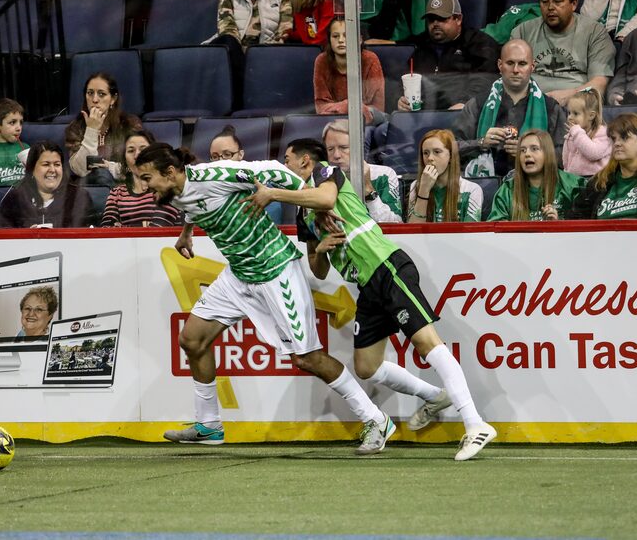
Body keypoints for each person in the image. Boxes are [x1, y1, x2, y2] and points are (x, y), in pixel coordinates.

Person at [245, 137, 497, 461]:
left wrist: (272, 193)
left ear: (306, 161)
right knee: (366, 367)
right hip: (366, 285)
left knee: (426, 343)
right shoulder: (302, 215)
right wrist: (320, 250)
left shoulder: (327, 174)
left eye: (288, 159)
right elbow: (318, 270)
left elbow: (325, 198)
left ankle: (475, 424)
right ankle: (435, 396)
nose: (284, 166)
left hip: (387, 266)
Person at [135, 143, 396, 455]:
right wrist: (186, 232)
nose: (142, 187)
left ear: (169, 172)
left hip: (276, 270)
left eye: (147, 179)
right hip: (239, 274)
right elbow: (193, 204)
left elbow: (272, 170)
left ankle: (377, 420)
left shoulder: (215, 174)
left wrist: (317, 207)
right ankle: (209, 425)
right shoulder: (174, 190)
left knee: (307, 358)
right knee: (192, 340)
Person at [452, 39, 567, 177]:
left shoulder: (551, 108)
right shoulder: (478, 104)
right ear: (500, 65)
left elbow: (566, 156)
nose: (516, 70)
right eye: (510, 63)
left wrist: (529, 152)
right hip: (485, 188)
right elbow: (451, 147)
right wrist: (481, 143)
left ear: (532, 66)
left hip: (535, 188)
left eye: (522, 64)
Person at [510, 0, 616, 106]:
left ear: (574, 4)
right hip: (529, 105)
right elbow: (510, 77)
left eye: (558, 1)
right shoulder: (523, 31)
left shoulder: (595, 33)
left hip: (577, 108)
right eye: (545, 2)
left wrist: (573, 95)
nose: (550, 7)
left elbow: (599, 84)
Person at [393, 0, 500, 111]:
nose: (435, 24)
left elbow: (485, 80)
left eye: (442, 19)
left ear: (458, 19)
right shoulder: (421, 47)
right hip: (423, 115)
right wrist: (400, 100)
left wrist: (466, 103)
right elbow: (405, 81)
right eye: (431, 19)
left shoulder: (479, 43)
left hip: (463, 114)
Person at [64, 72, 142, 187]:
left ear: (113, 99)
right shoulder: (76, 128)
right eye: (90, 93)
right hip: (87, 192)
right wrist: (91, 130)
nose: (94, 99)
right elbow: (80, 170)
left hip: (124, 189)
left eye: (101, 94)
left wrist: (110, 168)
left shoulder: (129, 125)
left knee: (103, 174)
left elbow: (142, 165)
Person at [489, 129, 585, 221]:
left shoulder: (573, 185)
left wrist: (558, 223)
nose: (527, 154)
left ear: (548, 153)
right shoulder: (507, 191)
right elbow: (495, 228)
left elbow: (587, 225)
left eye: (534, 149)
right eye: (522, 150)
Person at [0, 141, 96, 228]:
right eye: (46, 164)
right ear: (32, 169)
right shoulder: (14, 200)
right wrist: (26, 236)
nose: (52, 170)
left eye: (57, 164)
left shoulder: (79, 197)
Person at [322, 119, 402, 222]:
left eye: (343, 147)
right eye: (330, 149)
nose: (336, 155)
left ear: (358, 147)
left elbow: (395, 224)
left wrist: (369, 190)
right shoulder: (319, 179)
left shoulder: (383, 175)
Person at [100, 130, 183, 228]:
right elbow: (106, 231)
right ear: (124, 159)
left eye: (143, 150)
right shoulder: (116, 193)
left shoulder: (167, 188)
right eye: (131, 151)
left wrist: (122, 227)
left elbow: (157, 228)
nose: (137, 156)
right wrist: (143, 224)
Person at [314, 17, 386, 125]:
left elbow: (378, 109)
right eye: (335, 36)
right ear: (329, 39)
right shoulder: (321, 61)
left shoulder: (371, 60)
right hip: (332, 123)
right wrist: (349, 106)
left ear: (360, 39)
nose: (341, 40)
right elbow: (321, 107)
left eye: (346, 35)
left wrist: (343, 107)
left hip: (366, 124)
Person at [208, 125, 285, 224]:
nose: (220, 161)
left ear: (241, 154)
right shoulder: (204, 187)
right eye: (215, 157)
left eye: (227, 155)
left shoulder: (261, 185)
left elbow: (271, 220)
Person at [407, 130, 483, 222]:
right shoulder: (416, 186)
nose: (430, 158)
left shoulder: (472, 190)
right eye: (425, 153)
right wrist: (424, 190)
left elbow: (471, 233)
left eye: (437, 152)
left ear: (450, 156)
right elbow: (413, 232)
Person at [362, 0, 461, 43]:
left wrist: (396, 43)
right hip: (393, 56)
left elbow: (444, 33)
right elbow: (377, 37)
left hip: (428, 52)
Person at [563, 88, 612, 176]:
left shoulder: (602, 132)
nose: (570, 117)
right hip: (575, 179)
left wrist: (577, 133)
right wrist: (567, 173)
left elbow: (594, 154)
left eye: (576, 113)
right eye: (569, 113)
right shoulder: (574, 133)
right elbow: (566, 159)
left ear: (591, 115)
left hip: (596, 179)